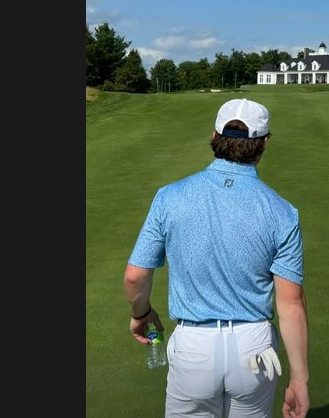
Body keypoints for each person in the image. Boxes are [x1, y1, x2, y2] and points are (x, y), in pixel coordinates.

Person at [124, 98, 310, 418]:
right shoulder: (282, 211)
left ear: (214, 136)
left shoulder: (169, 197)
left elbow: (135, 277)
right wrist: (299, 379)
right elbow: (291, 304)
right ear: (263, 143)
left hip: (193, 346)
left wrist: (141, 313)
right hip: (254, 349)